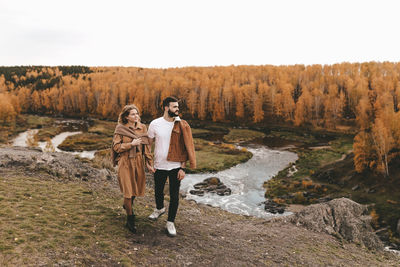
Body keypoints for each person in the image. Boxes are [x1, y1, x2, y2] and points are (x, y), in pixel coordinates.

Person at [147, 96, 196, 237]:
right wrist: (148, 162)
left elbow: (185, 147)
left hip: (175, 166)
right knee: (158, 191)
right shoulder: (155, 124)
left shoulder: (181, 125)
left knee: (174, 195)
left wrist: (183, 168)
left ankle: (170, 222)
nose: (177, 110)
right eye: (174, 107)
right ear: (166, 108)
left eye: (177, 107)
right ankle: (159, 209)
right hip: (159, 165)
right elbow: (148, 144)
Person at [112, 104, 154, 233]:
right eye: (133, 114)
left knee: (135, 189)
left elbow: (146, 147)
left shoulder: (142, 128)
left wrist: (149, 163)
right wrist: (131, 144)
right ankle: (130, 219)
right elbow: (116, 148)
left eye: (137, 114)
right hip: (125, 162)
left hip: (138, 161)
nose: (136, 116)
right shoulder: (120, 128)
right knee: (128, 192)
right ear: (126, 116)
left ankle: (127, 205)